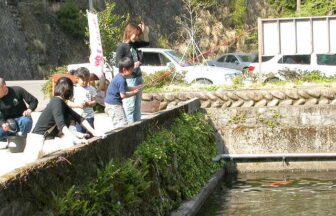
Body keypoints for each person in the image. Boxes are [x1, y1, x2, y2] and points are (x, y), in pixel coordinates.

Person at [24, 77, 105, 161]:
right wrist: (76, 139)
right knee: (70, 143)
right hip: (39, 142)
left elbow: (79, 118)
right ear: (68, 90)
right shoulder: (57, 102)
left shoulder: (60, 102)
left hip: (46, 140)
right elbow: (61, 125)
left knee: (70, 143)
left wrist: (94, 131)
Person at [115, 21, 149, 124]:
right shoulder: (122, 47)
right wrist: (132, 65)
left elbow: (146, 43)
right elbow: (118, 64)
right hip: (129, 79)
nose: (137, 37)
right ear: (129, 32)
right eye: (136, 35)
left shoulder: (133, 44)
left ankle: (138, 127)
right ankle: (130, 128)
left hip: (138, 77)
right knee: (129, 107)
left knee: (137, 107)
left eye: (138, 35)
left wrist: (145, 33)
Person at [105, 57, 143, 129]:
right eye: (131, 69)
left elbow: (126, 88)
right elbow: (123, 95)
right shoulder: (121, 80)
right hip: (114, 105)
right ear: (124, 69)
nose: (132, 71)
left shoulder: (120, 76)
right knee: (122, 124)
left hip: (111, 103)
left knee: (119, 123)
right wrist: (133, 93)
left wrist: (136, 87)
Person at [0, 77, 38, 143]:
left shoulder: (17, 90)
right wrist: (2, 124)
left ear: (4, 87)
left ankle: (22, 139)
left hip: (22, 118)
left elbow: (34, 101)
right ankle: (10, 138)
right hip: (7, 123)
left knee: (25, 121)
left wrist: (29, 110)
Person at [67, 67, 97, 137]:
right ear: (77, 78)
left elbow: (94, 101)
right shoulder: (74, 89)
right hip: (78, 117)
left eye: (87, 80)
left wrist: (89, 103)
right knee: (80, 134)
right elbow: (69, 103)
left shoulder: (91, 89)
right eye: (83, 80)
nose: (85, 82)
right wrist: (78, 105)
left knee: (91, 135)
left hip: (89, 116)